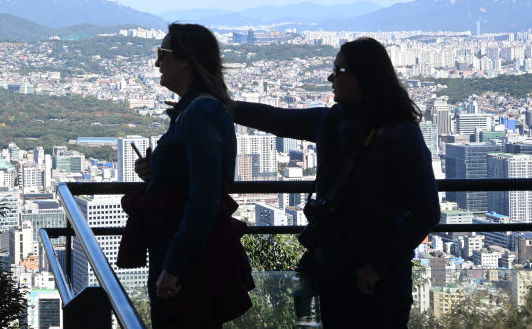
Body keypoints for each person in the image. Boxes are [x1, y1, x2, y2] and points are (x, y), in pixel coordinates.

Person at [229, 37, 440, 328]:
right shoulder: (337, 122)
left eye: (339, 71)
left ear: (365, 77)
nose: (331, 77)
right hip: (338, 269)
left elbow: (427, 212)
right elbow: (278, 119)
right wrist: (226, 106)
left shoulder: (398, 134)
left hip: (375, 279)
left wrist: (377, 267)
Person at [122, 23, 252, 328]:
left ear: (184, 60)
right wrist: (157, 174)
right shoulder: (193, 110)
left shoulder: (199, 113)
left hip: (189, 264)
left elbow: (204, 196)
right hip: (184, 253)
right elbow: (193, 179)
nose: (157, 62)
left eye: (162, 54)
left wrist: (174, 266)